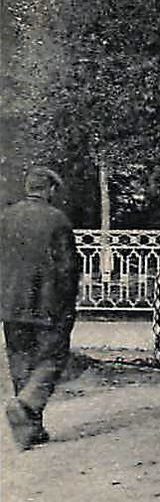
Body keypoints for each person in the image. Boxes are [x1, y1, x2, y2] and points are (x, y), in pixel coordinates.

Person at [1, 167, 80, 450]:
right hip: (49, 305)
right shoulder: (57, 220)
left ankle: (31, 428)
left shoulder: (6, 217)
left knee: (20, 362)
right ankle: (26, 404)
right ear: (50, 190)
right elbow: (68, 268)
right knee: (52, 358)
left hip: (11, 305)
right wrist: (70, 303)